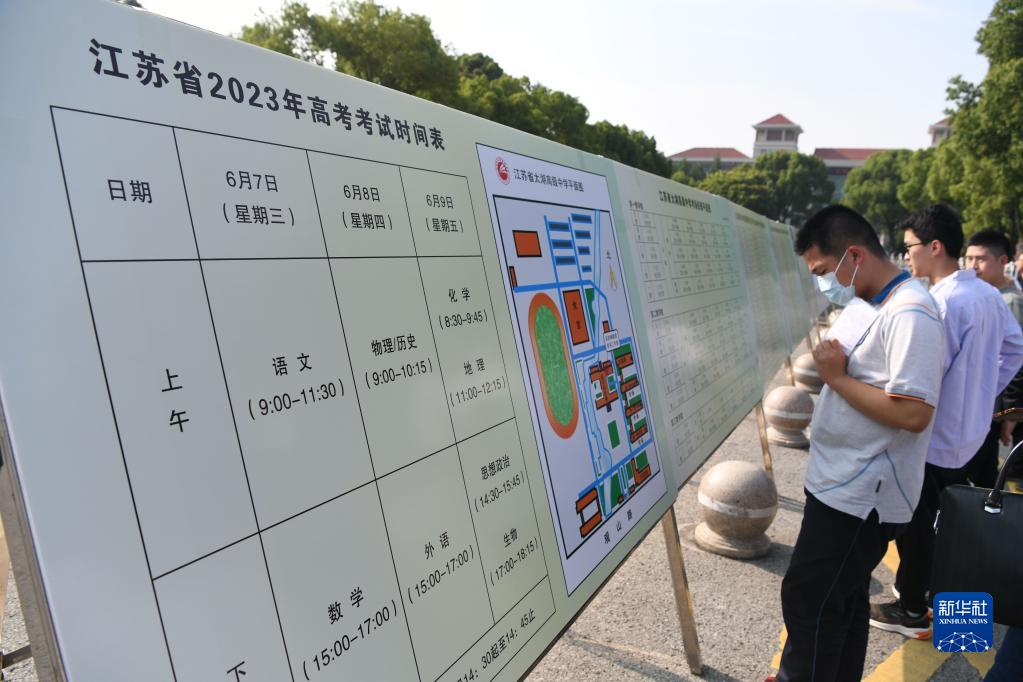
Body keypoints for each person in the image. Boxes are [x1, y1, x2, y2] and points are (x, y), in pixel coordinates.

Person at [776, 205, 944, 682]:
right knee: (841, 602)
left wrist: (836, 378)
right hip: (840, 482)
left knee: (810, 601)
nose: (822, 284)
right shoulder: (868, 302)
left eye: (823, 271)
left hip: (862, 494)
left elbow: (913, 413)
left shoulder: (911, 312)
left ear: (854, 255)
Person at [869, 205, 1023, 639]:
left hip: (936, 432)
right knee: (949, 521)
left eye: (910, 247)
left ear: (935, 247)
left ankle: (912, 608)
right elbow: (1015, 348)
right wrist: (984, 391)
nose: (907, 256)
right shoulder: (987, 294)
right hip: (971, 430)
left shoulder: (942, 302)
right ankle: (940, 604)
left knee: (918, 522)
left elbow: (926, 372)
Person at [964, 229, 1023, 484]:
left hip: (993, 406)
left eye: (981, 259)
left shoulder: (1009, 301)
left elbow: (1017, 361)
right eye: (969, 258)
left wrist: (1010, 414)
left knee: (986, 475)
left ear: (1003, 261)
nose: (973, 266)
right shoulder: (984, 295)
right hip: (980, 401)